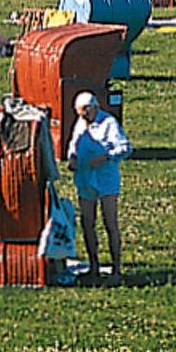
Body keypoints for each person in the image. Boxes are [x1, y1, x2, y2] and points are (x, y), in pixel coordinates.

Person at [67, 90, 131, 282]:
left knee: (110, 222)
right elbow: (73, 144)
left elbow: (125, 147)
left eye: (85, 113)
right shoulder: (81, 124)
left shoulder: (109, 123)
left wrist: (105, 157)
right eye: (80, 114)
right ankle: (93, 265)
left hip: (106, 180)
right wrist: (72, 158)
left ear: (93, 108)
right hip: (85, 179)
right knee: (87, 223)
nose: (83, 117)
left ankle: (116, 268)